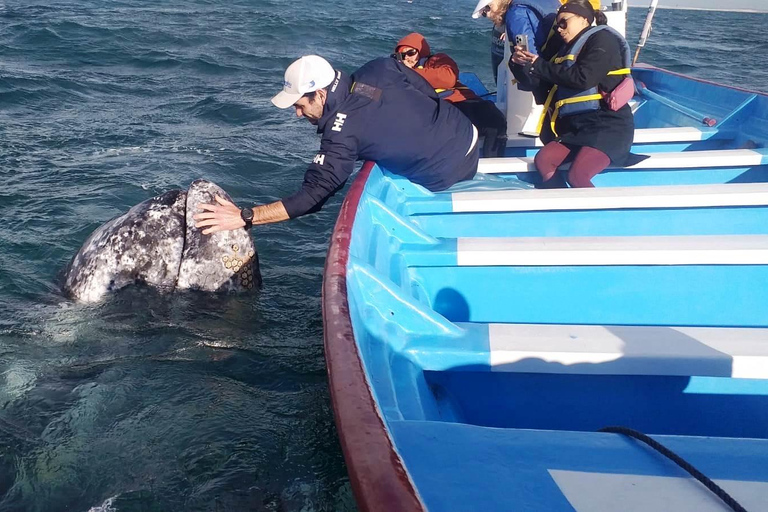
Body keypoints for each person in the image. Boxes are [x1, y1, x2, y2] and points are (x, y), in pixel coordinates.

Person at [193, 55, 479, 233]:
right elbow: (424, 90)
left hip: (449, 172)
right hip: (468, 131)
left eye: (300, 105)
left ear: (319, 94)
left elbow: (313, 197)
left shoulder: (340, 136)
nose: (297, 113)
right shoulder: (379, 67)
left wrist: (246, 217)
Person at [512, 0, 643, 188]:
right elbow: (540, 86)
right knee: (544, 160)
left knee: (577, 175)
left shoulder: (604, 39)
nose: (559, 28)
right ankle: (561, 208)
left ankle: (598, 215)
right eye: (557, 24)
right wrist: (519, 64)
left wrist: (540, 65)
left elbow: (584, 78)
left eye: (564, 22)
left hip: (607, 126)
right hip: (575, 129)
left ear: (584, 19)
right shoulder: (562, 50)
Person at [394, 32, 507, 157]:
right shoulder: (399, 75)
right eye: (402, 56)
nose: (407, 58)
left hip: (464, 104)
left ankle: (492, 162)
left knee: (494, 118)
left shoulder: (437, 60)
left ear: (420, 52)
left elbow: (448, 78)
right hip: (440, 111)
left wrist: (410, 73)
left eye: (411, 53)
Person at [475, 0, 563, 92]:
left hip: (552, 81)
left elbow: (528, 57)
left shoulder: (516, 14)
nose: (489, 15)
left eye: (488, 8)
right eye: (484, 13)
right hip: (562, 65)